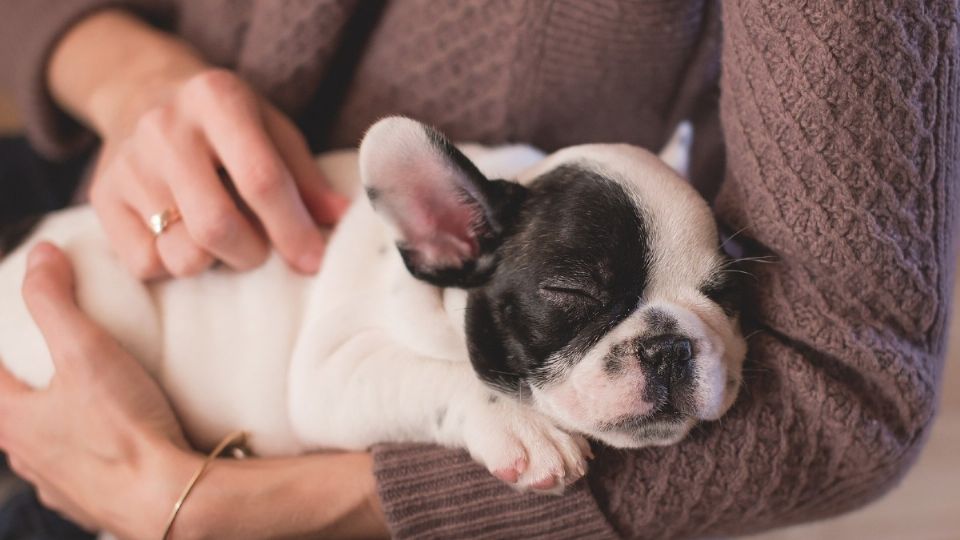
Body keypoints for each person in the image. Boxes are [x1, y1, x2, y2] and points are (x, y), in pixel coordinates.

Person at [0, 1, 957, 538]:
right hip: (89, 302)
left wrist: (215, 507)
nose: (666, 350)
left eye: (715, 297)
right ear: (446, 240)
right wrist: (118, 69)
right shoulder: (440, 249)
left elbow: (853, 393)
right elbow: (327, 394)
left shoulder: (521, 229)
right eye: (580, 301)